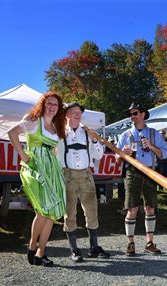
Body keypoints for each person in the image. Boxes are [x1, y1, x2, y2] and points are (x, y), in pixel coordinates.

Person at [8, 91, 67, 267]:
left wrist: (58, 169)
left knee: (51, 213)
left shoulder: (56, 127)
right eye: (49, 103)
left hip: (52, 169)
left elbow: (55, 150)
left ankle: (41, 252)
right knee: (42, 210)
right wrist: (24, 155)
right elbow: (12, 133)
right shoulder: (33, 120)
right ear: (43, 104)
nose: (52, 107)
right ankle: (32, 245)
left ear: (59, 108)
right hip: (35, 168)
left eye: (55, 104)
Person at [56, 102, 110, 262]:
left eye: (79, 111)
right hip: (67, 176)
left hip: (86, 176)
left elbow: (99, 155)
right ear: (66, 114)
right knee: (69, 213)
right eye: (73, 111)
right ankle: (74, 250)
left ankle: (94, 247)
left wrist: (94, 141)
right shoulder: (59, 133)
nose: (77, 113)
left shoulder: (87, 133)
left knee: (92, 211)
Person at [116, 103, 167, 256]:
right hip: (132, 172)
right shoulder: (125, 135)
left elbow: (163, 154)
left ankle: (149, 243)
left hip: (150, 172)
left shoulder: (154, 133)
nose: (132, 117)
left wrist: (151, 146)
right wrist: (122, 154)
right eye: (130, 114)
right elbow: (117, 159)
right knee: (132, 209)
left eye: (135, 113)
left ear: (143, 114)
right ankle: (130, 243)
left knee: (150, 208)